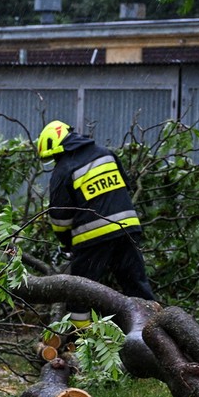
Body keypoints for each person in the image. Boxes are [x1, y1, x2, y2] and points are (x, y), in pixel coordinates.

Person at [40, 120, 156, 335]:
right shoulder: (106, 153)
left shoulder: (63, 169)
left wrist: (67, 244)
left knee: (81, 291)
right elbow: (124, 187)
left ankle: (82, 340)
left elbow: (59, 218)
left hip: (93, 238)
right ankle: (155, 331)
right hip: (128, 228)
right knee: (136, 284)